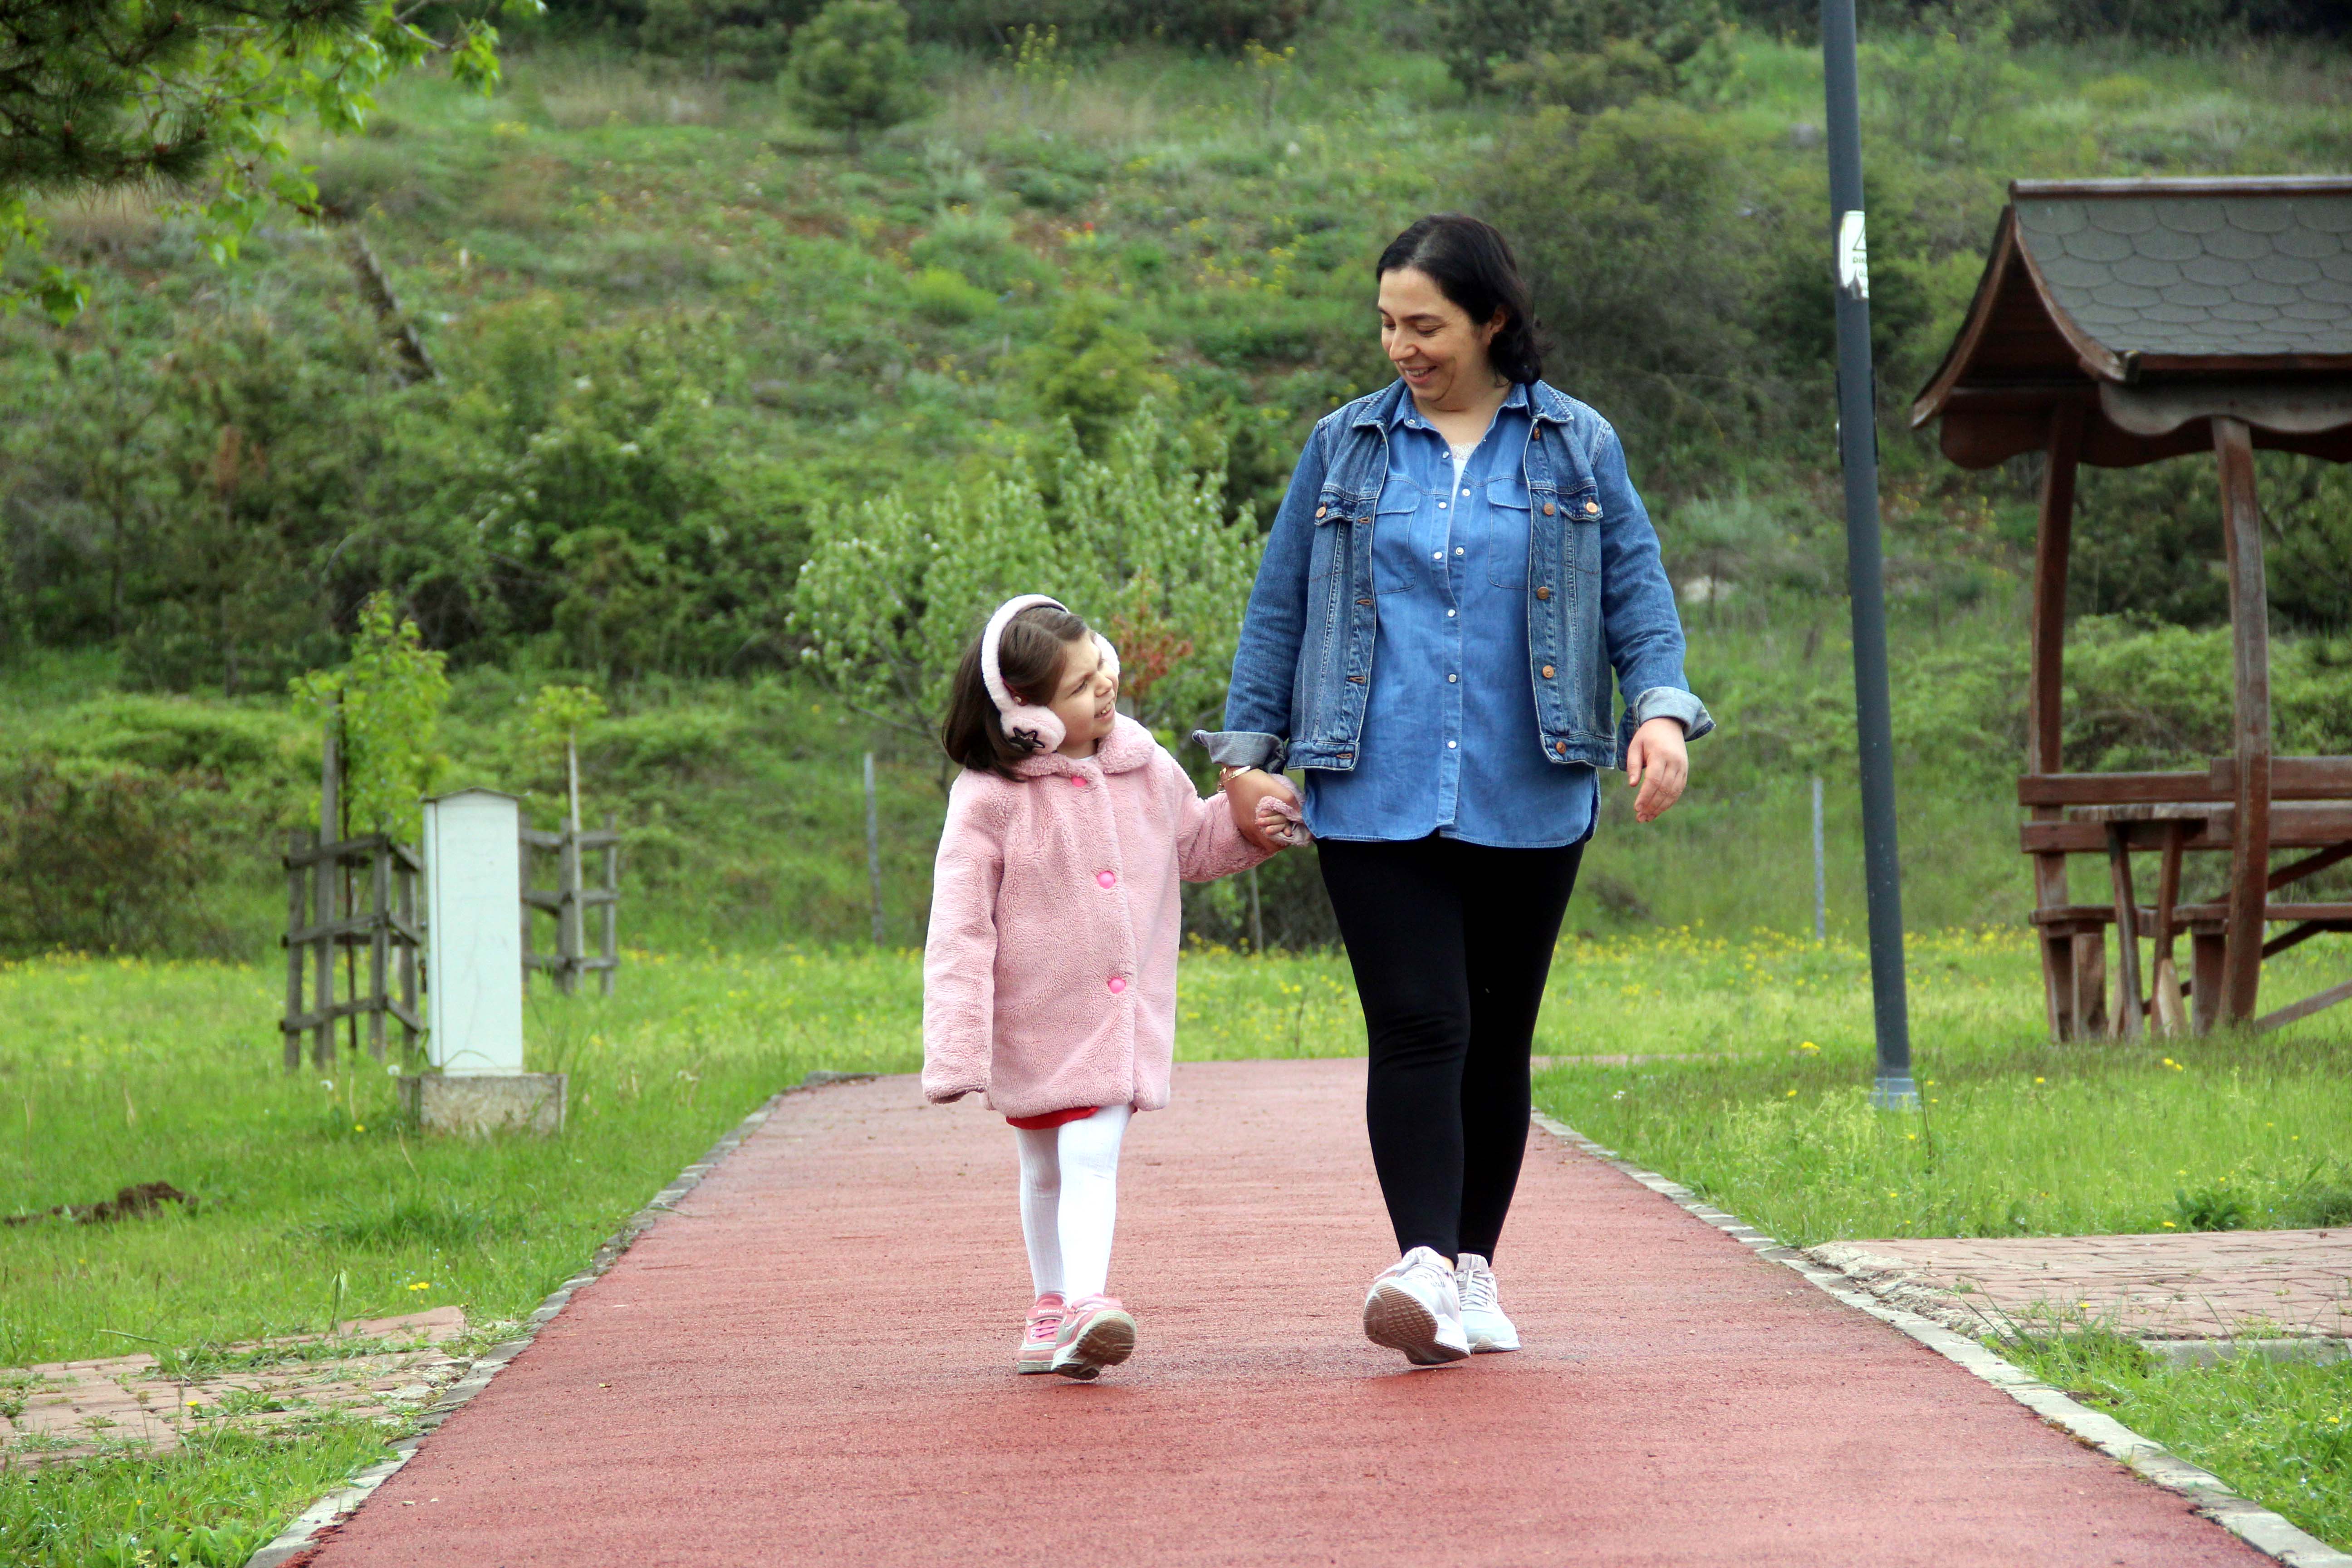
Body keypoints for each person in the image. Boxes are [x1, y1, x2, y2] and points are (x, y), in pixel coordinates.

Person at [1200, 214, 1711, 1367]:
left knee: (1498, 1037)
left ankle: (1474, 1269)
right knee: (1421, 1025)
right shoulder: (1345, 448)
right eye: (1386, 323)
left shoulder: (1578, 447)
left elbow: (1637, 593)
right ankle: (1424, 1265)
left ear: (1492, 319)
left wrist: (1662, 712)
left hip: (1529, 780)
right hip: (1368, 782)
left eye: (1423, 324)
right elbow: (1278, 608)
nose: (1401, 346)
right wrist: (1243, 761)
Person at [923, 595, 1279, 1379]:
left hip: (1115, 1018)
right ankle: (1051, 1304)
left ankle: (1085, 1302)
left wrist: (1256, 824)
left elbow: (1195, 842)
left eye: (1100, 664)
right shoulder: (988, 799)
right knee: (1044, 1165)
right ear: (1029, 721)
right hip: (1031, 1018)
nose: (1105, 688)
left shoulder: (1145, 765)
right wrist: (956, 1049)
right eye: (1081, 687)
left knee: (1089, 1148)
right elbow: (959, 930)